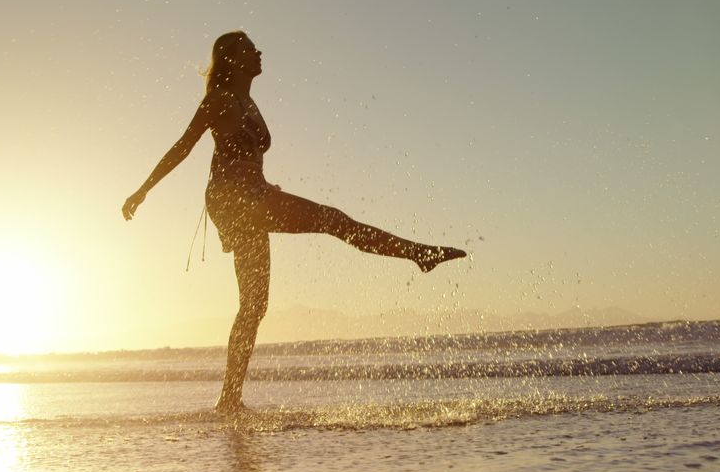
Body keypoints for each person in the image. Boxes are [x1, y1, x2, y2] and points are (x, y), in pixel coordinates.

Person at [122, 31, 466, 413]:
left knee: (254, 305)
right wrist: (143, 191)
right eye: (250, 48)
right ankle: (418, 253)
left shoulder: (248, 101)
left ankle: (229, 400)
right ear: (234, 60)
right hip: (234, 199)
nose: (259, 52)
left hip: (249, 194)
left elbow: (246, 155)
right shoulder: (220, 100)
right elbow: (183, 146)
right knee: (332, 219)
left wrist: (266, 186)